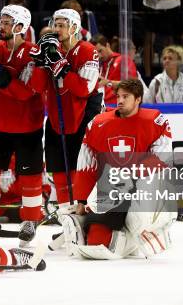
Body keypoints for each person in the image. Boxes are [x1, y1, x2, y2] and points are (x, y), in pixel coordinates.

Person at [59, 79, 175, 259]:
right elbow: (87, 164)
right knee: (97, 243)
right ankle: (93, 225)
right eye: (118, 96)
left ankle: (134, 234)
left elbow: (162, 158)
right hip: (112, 188)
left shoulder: (155, 120)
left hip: (143, 187)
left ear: (138, 99)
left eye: (125, 97)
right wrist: (82, 199)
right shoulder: (98, 123)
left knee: (141, 222)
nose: (119, 100)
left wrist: (131, 173)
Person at [0, 5, 45, 244]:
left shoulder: (34, 53)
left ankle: (30, 221)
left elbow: (26, 92)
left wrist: (3, 77)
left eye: (6, 22)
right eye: (1, 21)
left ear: (20, 27)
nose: (0, 26)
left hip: (28, 127)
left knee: (30, 178)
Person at [30, 8, 102, 208]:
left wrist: (61, 67)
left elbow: (85, 89)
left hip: (84, 114)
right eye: (55, 24)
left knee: (80, 170)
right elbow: (37, 87)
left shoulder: (87, 50)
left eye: (62, 25)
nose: (56, 29)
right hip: (57, 116)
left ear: (74, 27)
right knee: (60, 171)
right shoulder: (54, 50)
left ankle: (83, 214)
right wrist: (39, 63)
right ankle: (66, 220)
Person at [91, 34, 139, 106]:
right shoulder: (97, 66)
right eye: (96, 53)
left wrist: (108, 82)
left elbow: (134, 85)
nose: (99, 55)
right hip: (101, 108)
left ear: (107, 45)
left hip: (119, 107)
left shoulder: (123, 60)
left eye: (100, 51)